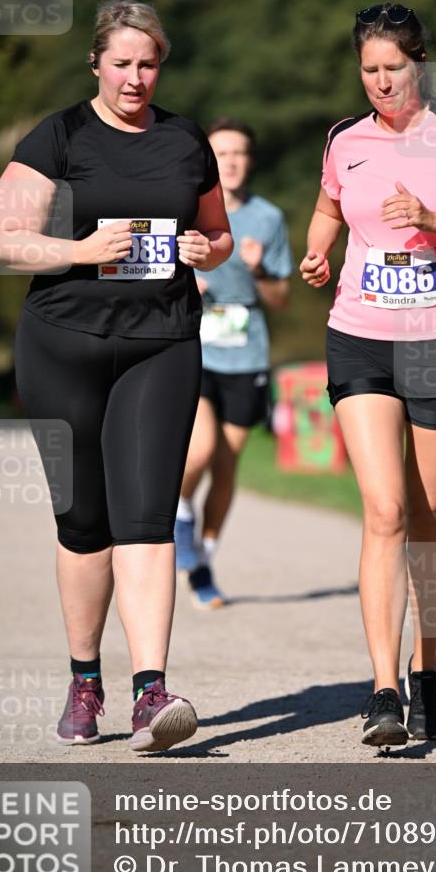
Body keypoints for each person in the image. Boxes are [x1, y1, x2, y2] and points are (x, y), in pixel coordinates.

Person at [0, 0, 232, 752]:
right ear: (96, 63)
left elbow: (218, 232)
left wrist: (206, 252)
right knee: (84, 521)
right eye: (121, 63)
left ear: (162, 65)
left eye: (147, 63)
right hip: (63, 343)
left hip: (161, 342)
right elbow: (2, 237)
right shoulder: (58, 135)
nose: (134, 77)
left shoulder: (187, 139)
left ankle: (150, 693)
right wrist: (80, 250)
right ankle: (84, 682)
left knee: (147, 517)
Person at [300, 3, 436, 748]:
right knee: (384, 510)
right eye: (368, 69)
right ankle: (383, 689)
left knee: (428, 517)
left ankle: (427, 668)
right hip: (360, 334)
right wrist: (317, 251)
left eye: (392, 67)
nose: (380, 81)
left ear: (418, 64)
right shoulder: (343, 139)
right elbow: (328, 206)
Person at [173, 118, 292, 608]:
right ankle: (178, 514)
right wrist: (186, 285)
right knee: (198, 450)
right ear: (209, 161)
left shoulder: (268, 217)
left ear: (251, 160)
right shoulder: (189, 209)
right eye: (222, 154)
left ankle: (203, 560)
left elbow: (280, 297)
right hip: (195, 348)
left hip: (247, 352)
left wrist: (261, 268)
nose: (233, 161)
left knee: (227, 464)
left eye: (241, 153)